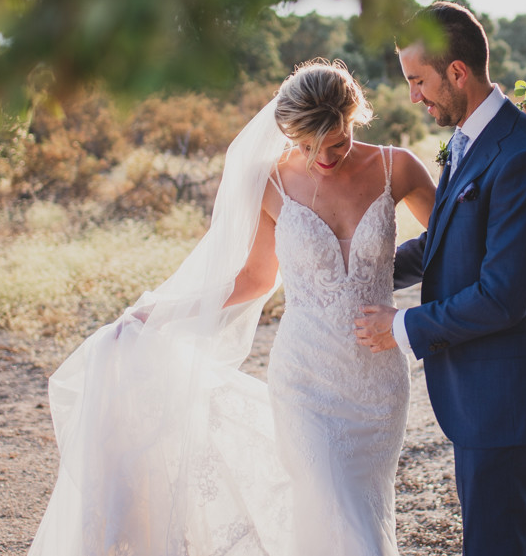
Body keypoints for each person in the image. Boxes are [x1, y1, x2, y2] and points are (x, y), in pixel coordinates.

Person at [30, 60, 436, 556]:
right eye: (305, 147)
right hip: (305, 380)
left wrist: (404, 317)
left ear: (354, 118)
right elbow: (253, 279)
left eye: (336, 142)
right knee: (334, 507)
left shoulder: (399, 167)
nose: (321, 159)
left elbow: (453, 244)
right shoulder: (271, 182)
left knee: (361, 511)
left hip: (377, 385)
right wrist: (161, 312)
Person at [355, 1, 526, 556]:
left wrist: (402, 326)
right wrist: (360, 269)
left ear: (457, 72)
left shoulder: (523, 154)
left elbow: (503, 297)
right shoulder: (471, 138)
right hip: (483, 389)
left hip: (506, 392)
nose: (413, 96)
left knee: (495, 545)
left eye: (418, 81)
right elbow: (444, 243)